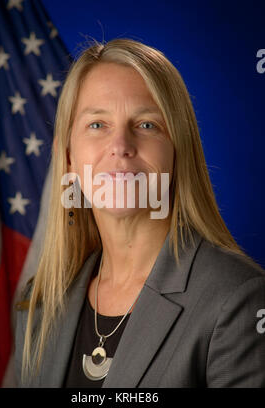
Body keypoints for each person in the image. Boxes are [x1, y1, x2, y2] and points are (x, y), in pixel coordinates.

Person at [14, 38, 265, 388]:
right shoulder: (39, 304)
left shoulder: (239, 299)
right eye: (97, 124)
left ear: (179, 150)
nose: (120, 147)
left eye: (146, 125)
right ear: (67, 156)